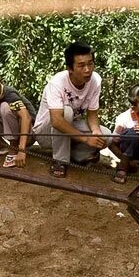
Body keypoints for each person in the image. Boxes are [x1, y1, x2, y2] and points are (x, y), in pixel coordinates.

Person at [32, 41, 111, 178]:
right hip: (46, 133)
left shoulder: (95, 80)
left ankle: (78, 156)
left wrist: (95, 131)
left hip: (69, 128)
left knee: (107, 135)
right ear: (70, 68)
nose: (87, 69)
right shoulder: (57, 83)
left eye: (90, 63)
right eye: (81, 65)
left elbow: (92, 114)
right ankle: (60, 161)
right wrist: (86, 140)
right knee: (66, 112)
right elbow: (56, 121)